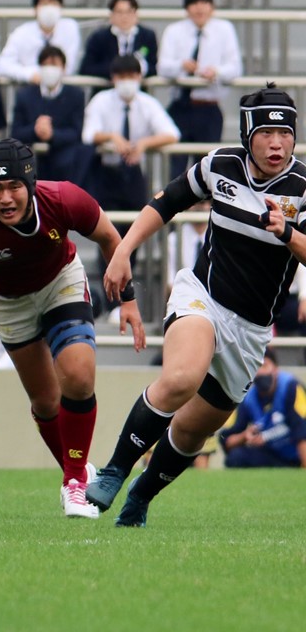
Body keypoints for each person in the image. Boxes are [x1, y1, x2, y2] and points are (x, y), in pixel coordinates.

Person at [87, 83, 306, 527]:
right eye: (266, 133)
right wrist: (124, 250)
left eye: (285, 134)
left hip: (250, 330)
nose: (277, 143)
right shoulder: (219, 165)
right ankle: (113, 470)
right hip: (202, 295)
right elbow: (165, 204)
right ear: (248, 135)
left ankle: (140, 496)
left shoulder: (302, 187)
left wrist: (286, 232)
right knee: (182, 377)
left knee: (193, 430)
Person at [0, 139, 146, 518]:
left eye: (14, 187)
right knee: (45, 402)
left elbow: (112, 239)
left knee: (78, 375)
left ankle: (74, 483)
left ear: (31, 185)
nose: (5, 197)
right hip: (7, 302)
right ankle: (76, 471)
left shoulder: (64, 199)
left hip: (60, 281)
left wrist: (127, 299)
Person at [158, 0, 242, 179]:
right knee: (177, 164)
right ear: (187, 8)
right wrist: (182, 66)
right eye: (194, 4)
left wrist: (216, 72)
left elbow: (235, 68)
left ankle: (205, 205)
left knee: (207, 164)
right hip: (181, 105)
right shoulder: (174, 31)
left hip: (209, 107)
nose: (199, 9)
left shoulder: (224, 29)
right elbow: (163, 66)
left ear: (212, 8)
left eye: (204, 3)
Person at [83, 54, 181, 216]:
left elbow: (172, 134)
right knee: (109, 230)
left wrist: (144, 143)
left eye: (131, 76)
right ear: (113, 78)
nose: (127, 81)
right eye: (122, 76)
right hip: (106, 172)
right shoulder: (101, 100)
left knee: (135, 227)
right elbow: (88, 135)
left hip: (135, 173)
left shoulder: (147, 103)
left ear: (139, 77)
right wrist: (111, 137)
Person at [9, 45, 89, 185]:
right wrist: (35, 130)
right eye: (46, 65)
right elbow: (16, 131)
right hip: (31, 159)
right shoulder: (25, 95)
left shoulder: (75, 95)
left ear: (63, 68)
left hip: (64, 160)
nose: (50, 69)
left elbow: (76, 132)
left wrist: (52, 134)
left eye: (54, 64)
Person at [218, 347, 306, 468]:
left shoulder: (291, 387)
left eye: (264, 366)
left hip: (294, 455)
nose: (260, 372)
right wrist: (245, 436)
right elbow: (227, 440)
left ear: (275, 369)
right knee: (236, 457)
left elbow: (302, 431)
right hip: (269, 455)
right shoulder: (247, 397)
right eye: (256, 367)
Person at [0, 0, 82, 82]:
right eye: (44, 4)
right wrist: (29, 75)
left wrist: (50, 74)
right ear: (35, 9)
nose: (49, 9)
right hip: (31, 89)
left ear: (61, 8)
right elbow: (1, 66)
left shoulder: (70, 28)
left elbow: (69, 67)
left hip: (61, 88)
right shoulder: (22, 32)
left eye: (54, 4)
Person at [79, 0, 158, 83]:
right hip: (106, 91)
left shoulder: (147, 36)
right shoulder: (99, 37)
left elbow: (154, 68)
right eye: (119, 12)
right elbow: (86, 68)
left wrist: (140, 69)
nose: (124, 17)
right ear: (111, 15)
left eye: (129, 12)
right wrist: (117, 70)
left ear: (136, 14)